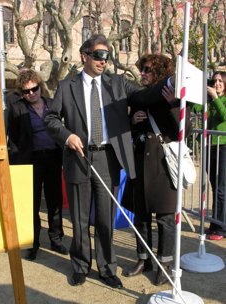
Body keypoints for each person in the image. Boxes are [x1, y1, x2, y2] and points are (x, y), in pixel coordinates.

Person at [45, 34, 170, 288]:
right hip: (78, 157)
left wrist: (171, 83)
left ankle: (106, 267)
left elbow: (145, 97)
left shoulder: (118, 84)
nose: (104, 61)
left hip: (108, 158)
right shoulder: (67, 87)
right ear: (85, 56)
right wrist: (66, 135)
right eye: (99, 55)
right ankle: (80, 265)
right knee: (79, 218)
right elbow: (50, 118)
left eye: (107, 56)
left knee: (105, 217)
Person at [123, 54, 191, 285]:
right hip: (141, 164)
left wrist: (174, 104)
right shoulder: (139, 98)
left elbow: (186, 130)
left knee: (165, 220)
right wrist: (133, 122)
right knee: (140, 217)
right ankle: (144, 259)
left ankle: (165, 263)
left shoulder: (173, 95)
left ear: (159, 73)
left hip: (163, 166)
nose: (142, 73)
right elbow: (131, 132)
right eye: (142, 69)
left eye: (147, 70)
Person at [6, 69, 68, 261]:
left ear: (40, 86)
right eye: (26, 91)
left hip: (53, 157)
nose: (31, 93)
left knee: (54, 199)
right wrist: (15, 161)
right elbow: (12, 137)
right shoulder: (17, 108)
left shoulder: (51, 105)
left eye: (34, 89)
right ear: (21, 93)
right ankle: (33, 242)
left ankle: (56, 238)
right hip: (30, 160)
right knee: (31, 202)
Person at [204, 71, 226, 240]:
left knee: (221, 189)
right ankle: (214, 223)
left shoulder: (221, 100)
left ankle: (220, 228)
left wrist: (216, 98)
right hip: (210, 147)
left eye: (220, 80)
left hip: (223, 147)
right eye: (214, 80)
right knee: (215, 187)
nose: (217, 83)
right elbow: (195, 107)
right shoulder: (210, 100)